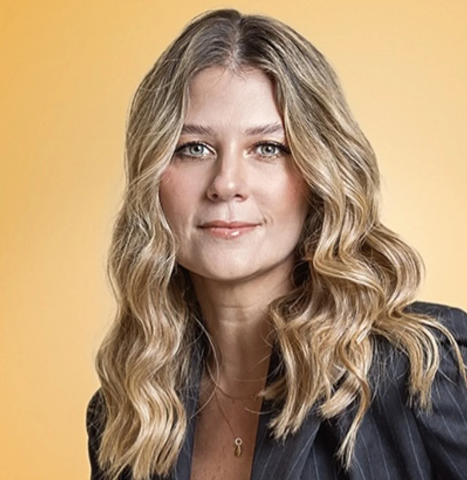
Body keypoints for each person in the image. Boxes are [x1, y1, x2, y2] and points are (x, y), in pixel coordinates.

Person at [86, 8, 467, 480]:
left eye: (268, 148)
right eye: (193, 148)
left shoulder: (427, 367)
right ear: (150, 178)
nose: (226, 184)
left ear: (319, 174)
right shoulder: (127, 413)